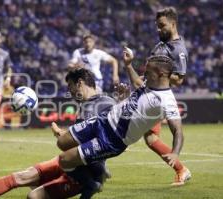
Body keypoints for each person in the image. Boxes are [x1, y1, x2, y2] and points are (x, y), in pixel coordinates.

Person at [0, 68, 118, 199]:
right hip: (68, 161)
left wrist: (62, 136)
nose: (70, 92)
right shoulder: (90, 105)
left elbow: (112, 137)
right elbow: (85, 136)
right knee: (21, 177)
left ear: (80, 83)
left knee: (33, 196)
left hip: (83, 174)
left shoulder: (105, 104)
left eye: (71, 87)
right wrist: (64, 134)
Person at [51, 55, 185, 187]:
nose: (144, 74)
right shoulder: (149, 83)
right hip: (102, 121)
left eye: (148, 72)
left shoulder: (167, 101)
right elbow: (136, 82)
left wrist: (175, 153)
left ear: (161, 74)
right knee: (62, 142)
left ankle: (91, 183)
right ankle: (96, 168)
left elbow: (178, 130)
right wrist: (128, 65)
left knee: (64, 159)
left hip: (113, 139)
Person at [142, 7, 191, 186]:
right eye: (157, 25)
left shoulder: (179, 50)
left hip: (160, 97)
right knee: (150, 138)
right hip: (147, 92)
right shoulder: (160, 45)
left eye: (161, 25)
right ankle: (181, 169)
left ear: (173, 24)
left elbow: (178, 80)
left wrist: (159, 71)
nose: (158, 29)